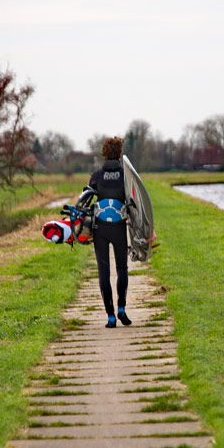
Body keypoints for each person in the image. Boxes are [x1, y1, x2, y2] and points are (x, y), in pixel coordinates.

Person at [78, 137, 134, 329]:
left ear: (104, 154)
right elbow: (135, 204)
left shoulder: (96, 175)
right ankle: (121, 309)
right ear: (119, 154)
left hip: (100, 229)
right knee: (121, 269)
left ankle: (110, 316)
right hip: (119, 227)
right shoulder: (126, 176)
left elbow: (84, 202)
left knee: (104, 272)